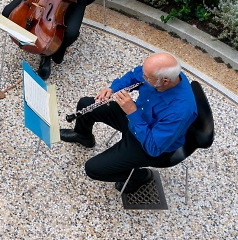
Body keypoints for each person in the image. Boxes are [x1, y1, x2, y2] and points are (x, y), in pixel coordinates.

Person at [59, 52, 198, 194]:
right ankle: (83, 136)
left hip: (148, 143)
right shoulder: (158, 74)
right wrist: (113, 88)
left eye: (146, 77)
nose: (143, 77)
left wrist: (132, 112)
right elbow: (133, 76)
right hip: (137, 118)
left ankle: (140, 176)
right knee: (85, 104)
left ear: (165, 81)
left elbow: (153, 148)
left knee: (93, 169)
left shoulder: (180, 111)